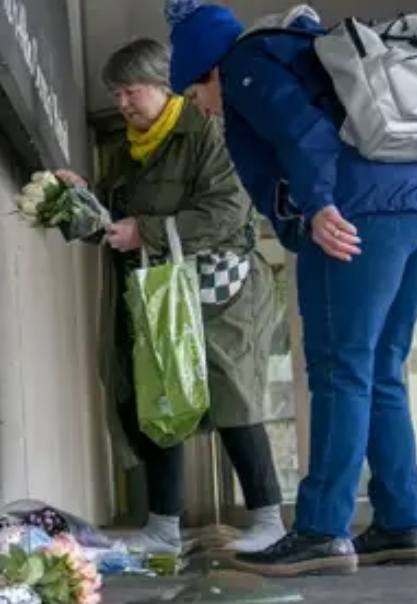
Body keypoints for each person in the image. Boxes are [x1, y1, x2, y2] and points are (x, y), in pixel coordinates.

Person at [167, 1, 417, 576]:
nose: (201, 105)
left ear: (207, 69)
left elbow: (302, 131)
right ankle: (400, 523)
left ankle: (321, 528)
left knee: (340, 369)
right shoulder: (303, 55)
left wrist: (319, 205)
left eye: (195, 92)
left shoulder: (246, 65)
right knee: (381, 368)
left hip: (357, 213)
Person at [58, 37, 285, 556]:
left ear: (163, 85)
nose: (122, 104)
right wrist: (78, 201)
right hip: (161, 293)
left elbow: (227, 211)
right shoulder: (125, 150)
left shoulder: (207, 132)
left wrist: (148, 232)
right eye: (115, 94)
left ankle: (269, 519)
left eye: (130, 91)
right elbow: (115, 226)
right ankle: (163, 529)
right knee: (158, 395)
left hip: (221, 290)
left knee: (232, 392)